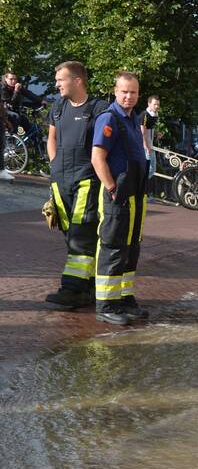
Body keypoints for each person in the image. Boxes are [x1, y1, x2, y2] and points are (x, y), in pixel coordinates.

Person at [43, 61, 110, 311]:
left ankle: (72, 290)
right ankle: (88, 286)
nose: (57, 84)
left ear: (78, 81)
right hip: (60, 180)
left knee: (82, 235)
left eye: (61, 79)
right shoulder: (58, 107)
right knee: (70, 234)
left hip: (85, 180)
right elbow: (52, 138)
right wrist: (54, 165)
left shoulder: (98, 109)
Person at [91, 71, 150, 325]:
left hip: (135, 196)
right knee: (113, 247)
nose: (128, 96)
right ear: (115, 92)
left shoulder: (134, 118)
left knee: (131, 248)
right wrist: (112, 188)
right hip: (119, 196)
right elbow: (97, 158)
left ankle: (125, 299)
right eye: (124, 91)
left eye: (133, 92)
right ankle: (106, 304)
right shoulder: (109, 117)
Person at [1, 71, 44, 181]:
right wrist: (16, 91)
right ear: (5, 79)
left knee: (28, 125)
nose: (13, 81)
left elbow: (29, 94)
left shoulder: (18, 87)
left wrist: (41, 101)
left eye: (15, 79)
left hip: (15, 112)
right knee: (16, 117)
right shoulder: (3, 89)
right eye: (11, 79)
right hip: (6, 113)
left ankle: (36, 147)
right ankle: (11, 140)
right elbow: (11, 103)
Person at [141, 94, 160, 187]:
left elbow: (150, 128)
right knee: (150, 168)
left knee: (152, 168)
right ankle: (139, 184)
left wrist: (156, 133)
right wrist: (146, 145)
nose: (156, 107)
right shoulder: (145, 115)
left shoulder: (154, 115)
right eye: (154, 104)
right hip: (145, 145)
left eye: (158, 105)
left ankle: (140, 184)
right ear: (149, 104)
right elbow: (142, 131)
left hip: (149, 144)